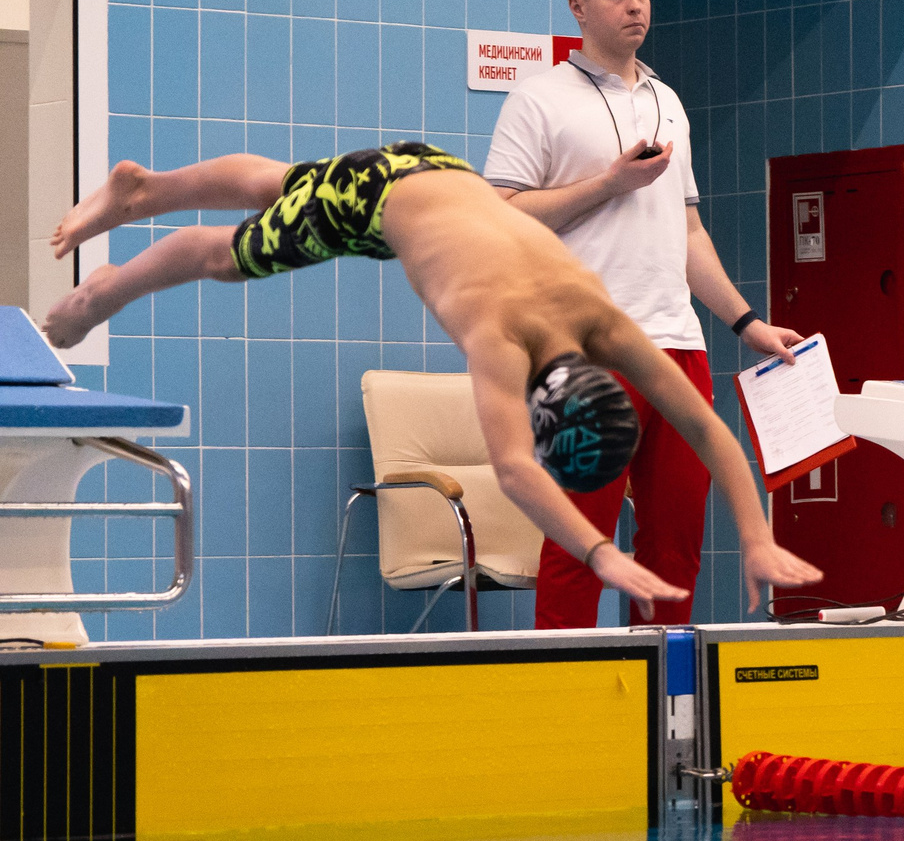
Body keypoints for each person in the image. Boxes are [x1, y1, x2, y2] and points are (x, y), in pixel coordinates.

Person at [38, 144, 823, 614]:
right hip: (378, 201)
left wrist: (757, 537)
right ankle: (102, 292)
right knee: (223, 255)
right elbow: (514, 469)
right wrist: (597, 552)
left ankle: (146, 188)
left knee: (286, 181)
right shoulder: (502, 334)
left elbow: (705, 428)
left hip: (436, 169)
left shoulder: (599, 318)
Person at [483, 0, 805, 629]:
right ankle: (563, 689)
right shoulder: (539, 98)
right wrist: (608, 183)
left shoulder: (668, 101)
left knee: (675, 549)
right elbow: (500, 214)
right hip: (586, 350)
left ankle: (667, 688)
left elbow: (688, 233)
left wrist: (747, 322)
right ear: (579, 7)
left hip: (677, 347)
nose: (635, 6)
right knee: (580, 545)